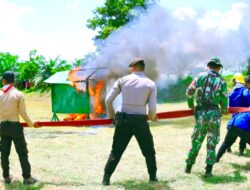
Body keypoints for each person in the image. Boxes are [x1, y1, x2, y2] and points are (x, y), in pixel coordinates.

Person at [102, 58, 158, 185]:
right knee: (149, 151)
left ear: (133, 67)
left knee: (116, 151)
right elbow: (153, 108)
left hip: (124, 120)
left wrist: (112, 117)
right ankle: (153, 178)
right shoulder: (150, 84)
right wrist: (151, 116)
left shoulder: (122, 80)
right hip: (140, 121)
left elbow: (108, 101)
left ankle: (106, 179)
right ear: (143, 68)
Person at [185, 57, 228, 176]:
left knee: (196, 141)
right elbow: (224, 98)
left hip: (201, 114)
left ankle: (188, 167)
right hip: (214, 114)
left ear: (209, 66)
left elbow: (189, 91)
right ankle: (208, 170)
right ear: (219, 68)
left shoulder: (200, 76)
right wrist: (224, 109)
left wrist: (191, 105)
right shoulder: (222, 81)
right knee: (212, 142)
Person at [0, 71, 38, 184]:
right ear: (14, 82)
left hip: (2, 127)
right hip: (15, 126)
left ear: (4, 81)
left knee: (4, 153)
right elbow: (23, 114)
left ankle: (6, 177)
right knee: (22, 152)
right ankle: (27, 178)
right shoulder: (18, 94)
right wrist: (32, 124)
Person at [227, 74, 250, 155]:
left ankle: (228, 147)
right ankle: (241, 150)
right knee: (244, 131)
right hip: (243, 114)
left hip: (235, 114)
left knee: (232, 132)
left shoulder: (233, 90)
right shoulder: (244, 90)